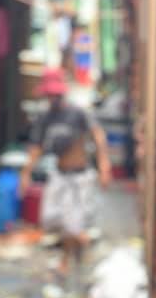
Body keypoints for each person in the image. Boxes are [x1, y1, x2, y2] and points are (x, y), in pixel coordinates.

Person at [21, 67, 111, 275]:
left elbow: (98, 135)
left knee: (73, 223)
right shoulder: (45, 118)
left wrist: (104, 165)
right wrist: (25, 173)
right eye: (49, 95)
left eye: (55, 95)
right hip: (59, 174)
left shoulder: (77, 114)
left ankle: (69, 258)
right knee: (51, 219)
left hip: (80, 176)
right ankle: (79, 245)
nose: (52, 99)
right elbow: (36, 148)